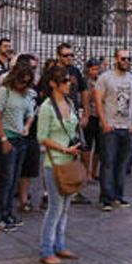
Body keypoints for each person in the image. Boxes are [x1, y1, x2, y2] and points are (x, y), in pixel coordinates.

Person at [36, 66, 82, 264]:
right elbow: (41, 137)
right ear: (53, 84)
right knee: (55, 208)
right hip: (54, 162)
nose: (69, 84)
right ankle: (47, 249)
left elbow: (73, 128)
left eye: (69, 80)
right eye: (64, 81)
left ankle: (60, 244)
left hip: (70, 161)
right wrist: (64, 149)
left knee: (65, 208)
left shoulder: (70, 103)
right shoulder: (47, 107)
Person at [95, 49, 132, 211]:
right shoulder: (105, 78)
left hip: (127, 127)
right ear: (116, 59)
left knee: (122, 164)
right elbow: (98, 101)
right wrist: (104, 122)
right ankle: (106, 198)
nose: (126, 61)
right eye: (123, 58)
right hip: (111, 126)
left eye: (129, 59)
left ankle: (118, 195)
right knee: (108, 162)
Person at [0, 62, 36, 231]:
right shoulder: (5, 91)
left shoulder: (26, 94)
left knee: (15, 178)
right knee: (6, 178)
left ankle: (8, 213)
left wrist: (27, 126)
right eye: (21, 81)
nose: (23, 85)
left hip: (20, 138)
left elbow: (30, 113)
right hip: (7, 137)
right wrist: (3, 138)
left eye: (27, 82)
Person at [54, 43, 91, 205]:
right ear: (58, 56)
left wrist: (86, 114)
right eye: (65, 55)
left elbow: (84, 92)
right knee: (56, 154)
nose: (69, 58)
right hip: (57, 119)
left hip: (74, 118)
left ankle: (74, 190)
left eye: (71, 55)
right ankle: (50, 192)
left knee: (76, 152)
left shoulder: (75, 71)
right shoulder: (52, 72)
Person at [81, 59, 102, 180]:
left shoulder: (100, 81)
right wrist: (92, 92)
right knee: (87, 145)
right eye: (93, 69)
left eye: (97, 69)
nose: (95, 71)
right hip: (89, 114)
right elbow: (84, 99)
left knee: (99, 145)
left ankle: (94, 170)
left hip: (99, 114)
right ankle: (86, 171)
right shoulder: (84, 81)